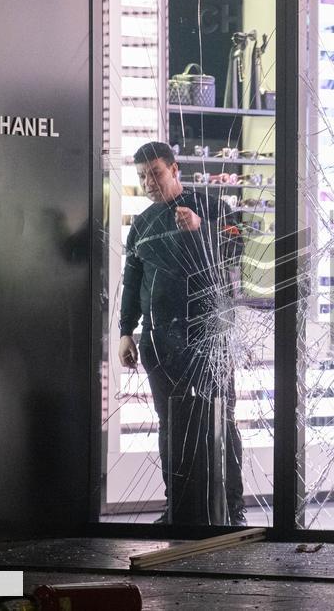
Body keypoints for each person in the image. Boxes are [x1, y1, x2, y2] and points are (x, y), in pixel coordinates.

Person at [118, 141, 245, 525]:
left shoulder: (210, 206)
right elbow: (132, 281)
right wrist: (126, 331)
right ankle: (178, 508)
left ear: (174, 170)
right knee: (171, 426)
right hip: (159, 343)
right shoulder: (141, 224)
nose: (149, 182)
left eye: (155, 173)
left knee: (219, 420)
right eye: (142, 176)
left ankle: (230, 509)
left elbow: (237, 247)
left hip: (208, 338)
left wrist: (200, 227)